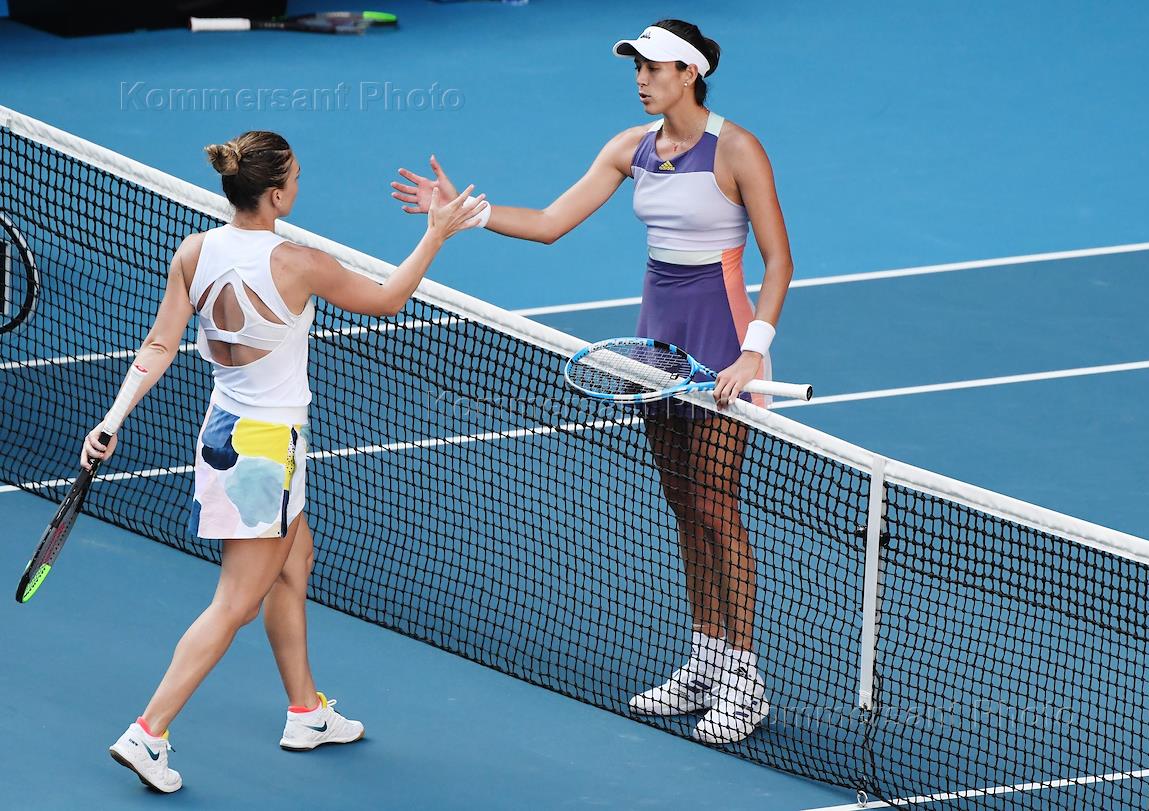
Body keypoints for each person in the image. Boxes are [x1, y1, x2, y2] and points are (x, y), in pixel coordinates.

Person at [389, 19, 793, 745]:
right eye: (636, 67)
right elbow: (550, 222)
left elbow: (779, 259)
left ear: (690, 73)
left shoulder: (737, 149)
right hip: (655, 351)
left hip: (723, 347)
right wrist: (465, 215)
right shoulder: (628, 147)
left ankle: (745, 676)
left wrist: (751, 353)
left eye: (654, 68)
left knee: (716, 505)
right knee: (682, 505)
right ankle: (705, 657)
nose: (641, 79)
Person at [89, 130, 486, 792]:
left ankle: (306, 712)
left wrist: (112, 417)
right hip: (268, 455)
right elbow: (388, 298)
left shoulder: (194, 251)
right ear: (274, 195)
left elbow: (158, 345)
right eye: (295, 178)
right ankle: (148, 732)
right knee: (234, 603)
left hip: (223, 434)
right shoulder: (300, 263)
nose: (300, 185)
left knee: (294, 560)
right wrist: (436, 234)